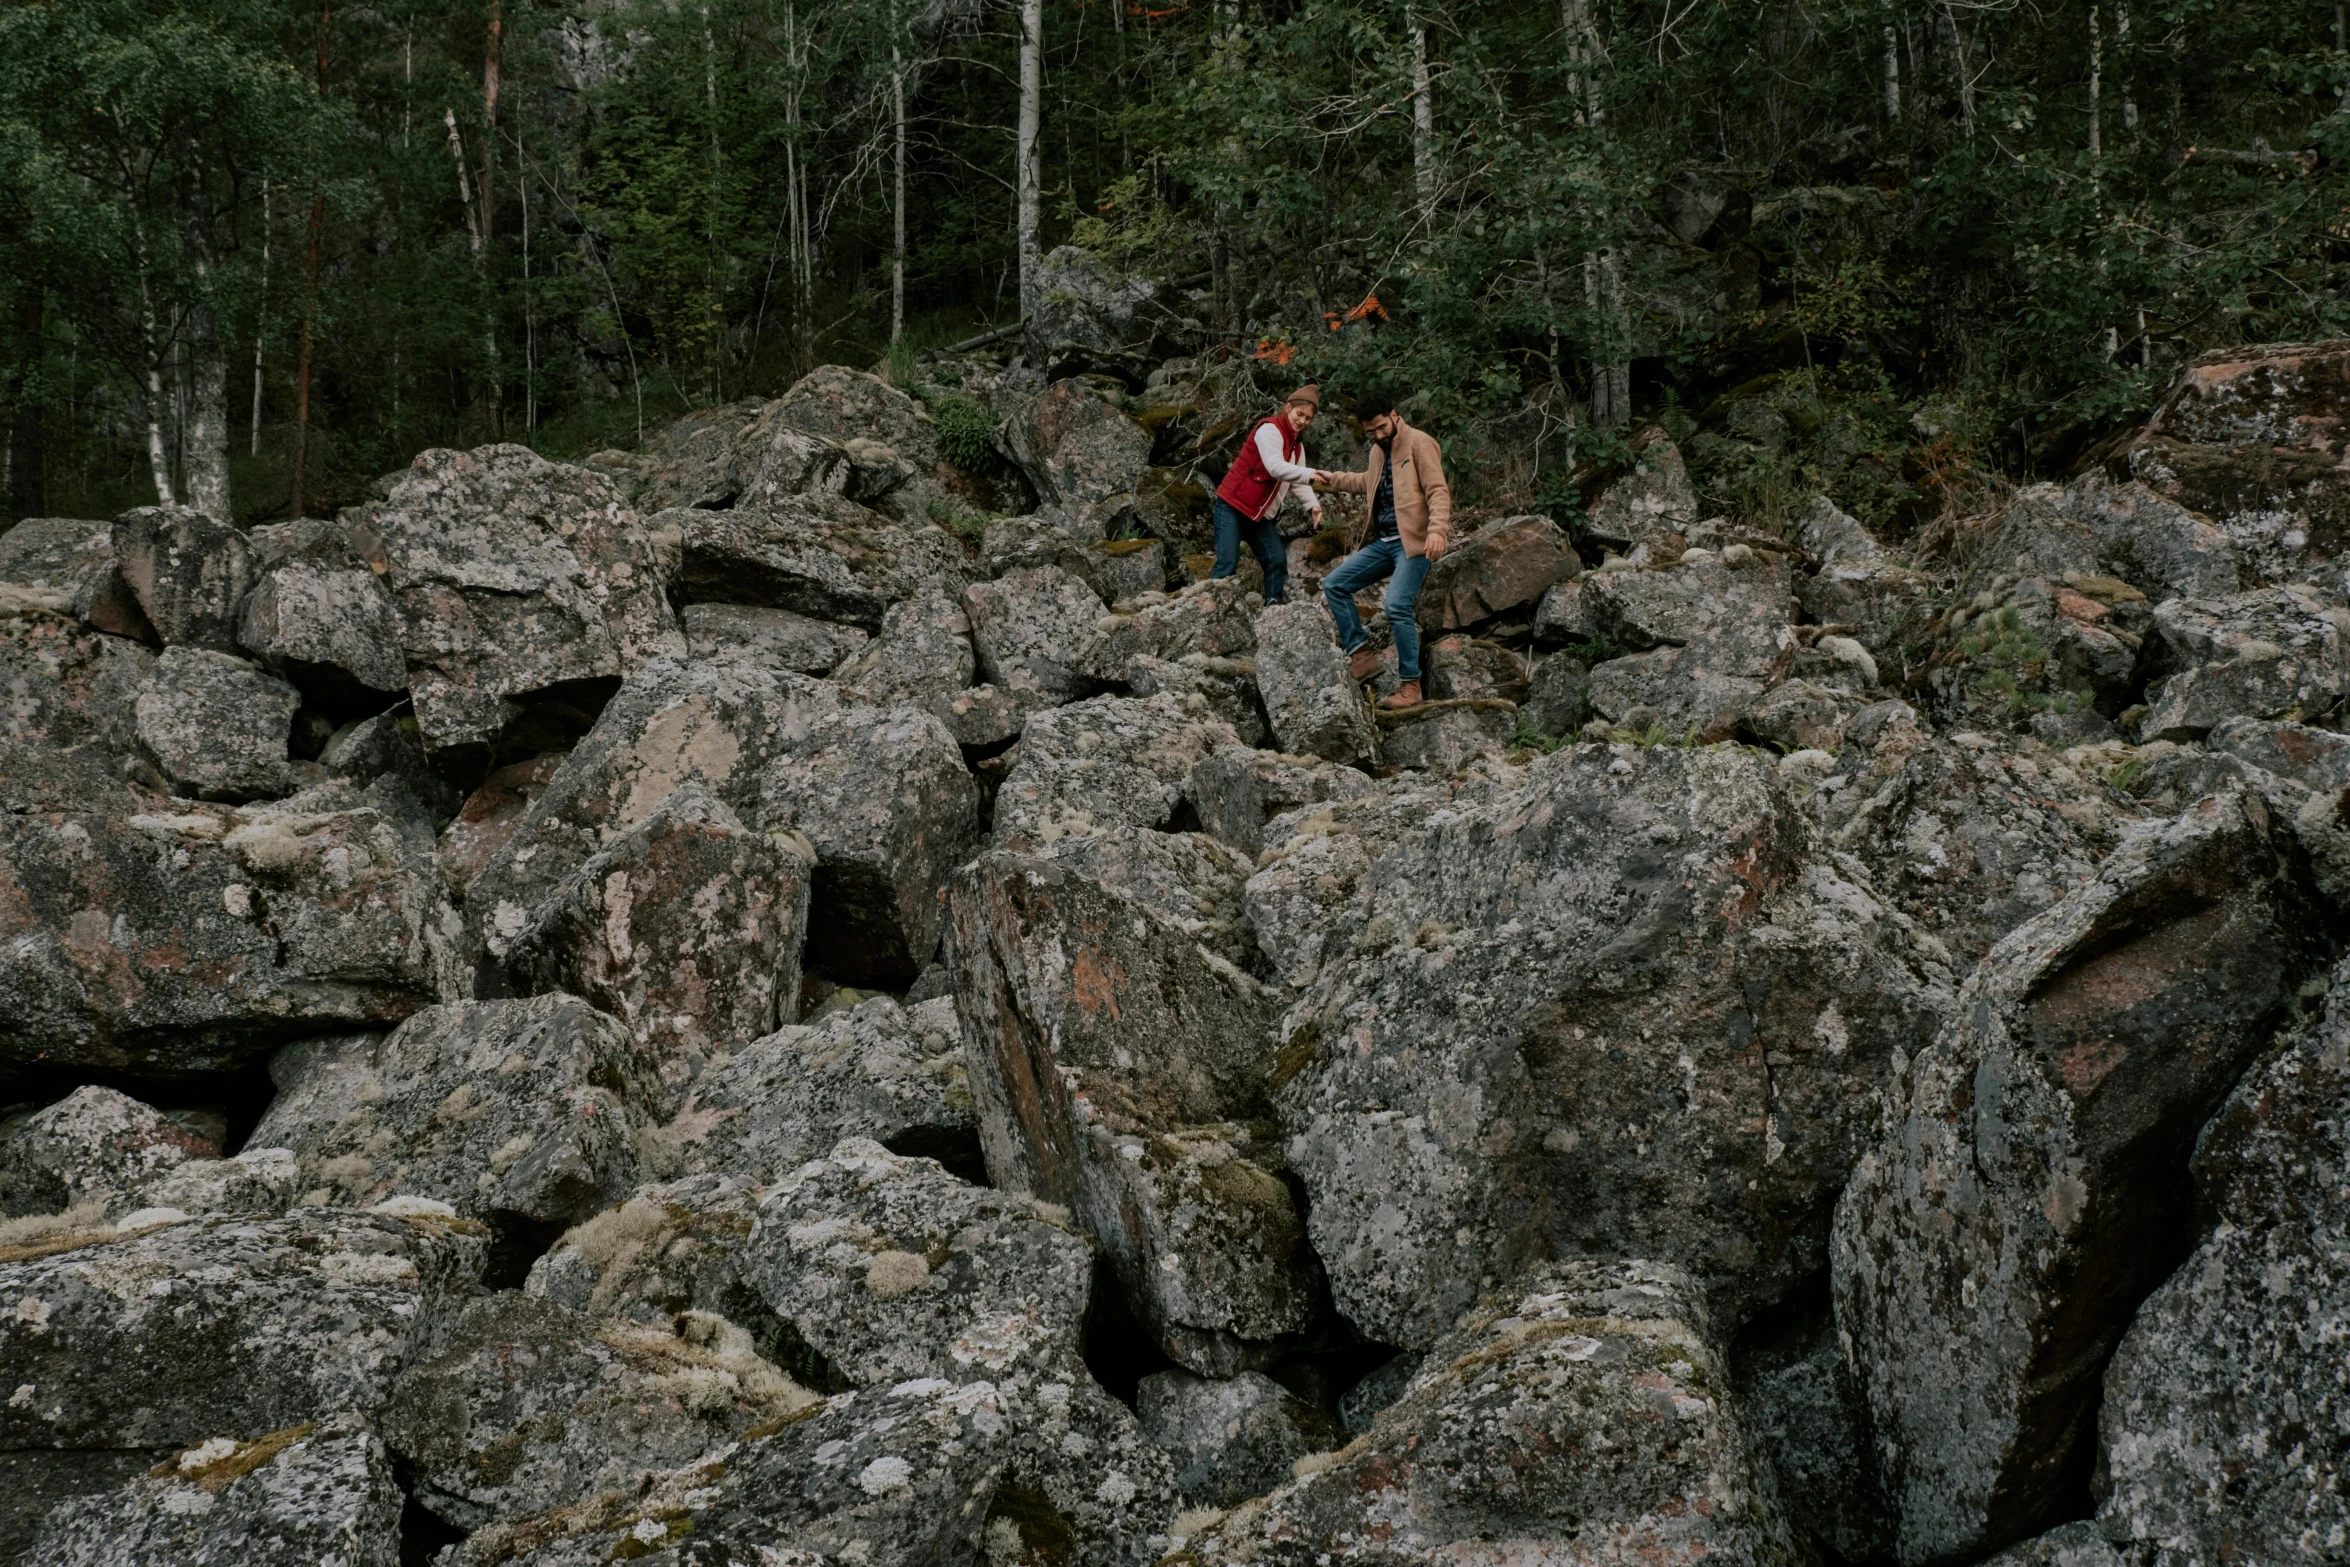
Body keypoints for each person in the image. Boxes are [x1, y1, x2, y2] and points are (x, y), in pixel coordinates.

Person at [1314, 386, 1451, 709]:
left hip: (1414, 544)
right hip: (1384, 543)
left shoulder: (1420, 443)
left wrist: (1437, 531)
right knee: (1334, 584)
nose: (1377, 434)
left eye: (1381, 427)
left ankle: (1411, 686)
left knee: (1396, 607)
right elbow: (1367, 482)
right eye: (1370, 431)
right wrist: (1332, 479)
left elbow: (1438, 491)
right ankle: (1361, 656)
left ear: (1394, 415)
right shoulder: (1378, 450)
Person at [1211, 383, 1324, 606]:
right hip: (1232, 505)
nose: (1301, 421)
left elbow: (1297, 481)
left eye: (1307, 419)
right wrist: (1311, 473)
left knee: (1277, 561)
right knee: (1227, 565)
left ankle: (1273, 610)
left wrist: (1313, 505)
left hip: (1258, 515)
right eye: (1299, 414)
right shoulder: (1269, 430)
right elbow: (1275, 467)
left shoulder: (1297, 447)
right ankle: (1208, 613)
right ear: (1287, 407)